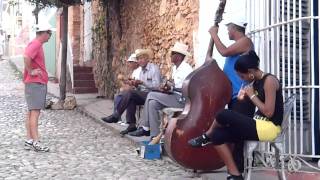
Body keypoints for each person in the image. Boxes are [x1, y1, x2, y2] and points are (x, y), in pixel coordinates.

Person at [189, 17, 256, 172]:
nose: (227, 31)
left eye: (228, 28)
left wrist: (214, 34)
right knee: (234, 134)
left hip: (243, 97)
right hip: (233, 97)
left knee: (238, 136)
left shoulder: (246, 42)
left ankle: (238, 170)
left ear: (234, 28)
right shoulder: (237, 47)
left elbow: (224, 51)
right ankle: (235, 170)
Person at [129, 42, 193, 138]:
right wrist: (167, 86)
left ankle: (145, 127)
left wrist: (171, 88)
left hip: (181, 99)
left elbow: (187, 88)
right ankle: (154, 135)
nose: (170, 55)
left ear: (179, 56)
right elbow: (174, 84)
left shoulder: (186, 69)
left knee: (151, 95)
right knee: (152, 103)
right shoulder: (175, 68)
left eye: (173, 53)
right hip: (173, 96)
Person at [101, 49, 161, 135]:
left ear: (147, 59)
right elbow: (141, 87)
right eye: (139, 59)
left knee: (129, 93)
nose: (140, 60)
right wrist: (135, 84)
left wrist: (143, 83)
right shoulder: (141, 71)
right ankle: (131, 124)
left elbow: (157, 86)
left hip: (154, 95)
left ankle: (116, 115)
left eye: (142, 58)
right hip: (144, 95)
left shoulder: (154, 69)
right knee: (130, 96)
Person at [23, 22, 56, 152]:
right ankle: (36, 141)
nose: (50, 36)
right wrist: (31, 71)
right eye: (49, 33)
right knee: (35, 113)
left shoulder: (37, 44)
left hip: (34, 83)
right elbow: (26, 57)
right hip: (35, 83)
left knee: (31, 112)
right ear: (44, 33)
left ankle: (29, 140)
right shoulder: (36, 44)